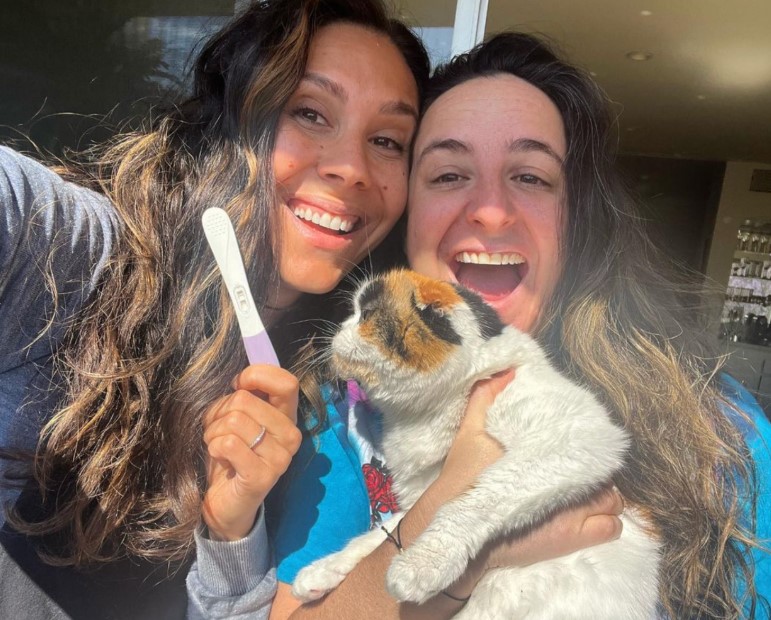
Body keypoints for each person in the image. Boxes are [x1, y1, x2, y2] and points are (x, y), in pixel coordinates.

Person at [199, 31, 771, 619]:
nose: (491, 212)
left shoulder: (717, 434)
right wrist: (468, 542)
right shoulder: (342, 423)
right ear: (408, 218)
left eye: (531, 177)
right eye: (449, 175)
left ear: (578, 221)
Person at [0, 0, 432, 617]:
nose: (352, 169)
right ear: (236, 118)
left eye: (387, 140)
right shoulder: (83, 259)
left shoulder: (339, 403)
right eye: (310, 112)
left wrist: (232, 530)